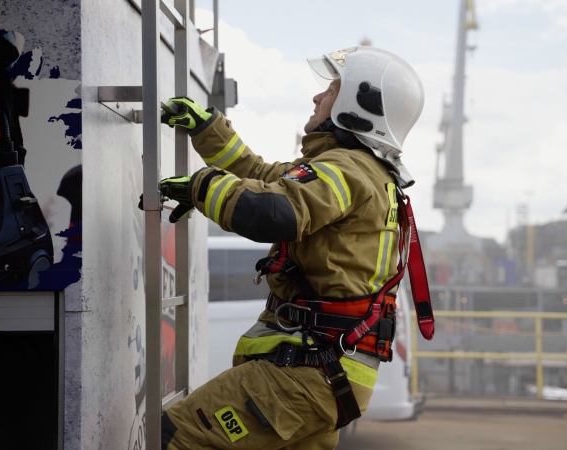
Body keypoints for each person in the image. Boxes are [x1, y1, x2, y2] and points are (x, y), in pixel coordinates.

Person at [154, 46, 431, 449]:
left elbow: (275, 209)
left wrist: (201, 187)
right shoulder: (359, 171)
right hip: (327, 376)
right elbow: (265, 176)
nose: (318, 98)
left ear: (357, 106)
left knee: (174, 438)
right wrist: (207, 128)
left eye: (331, 91)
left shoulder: (346, 170)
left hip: (305, 372)